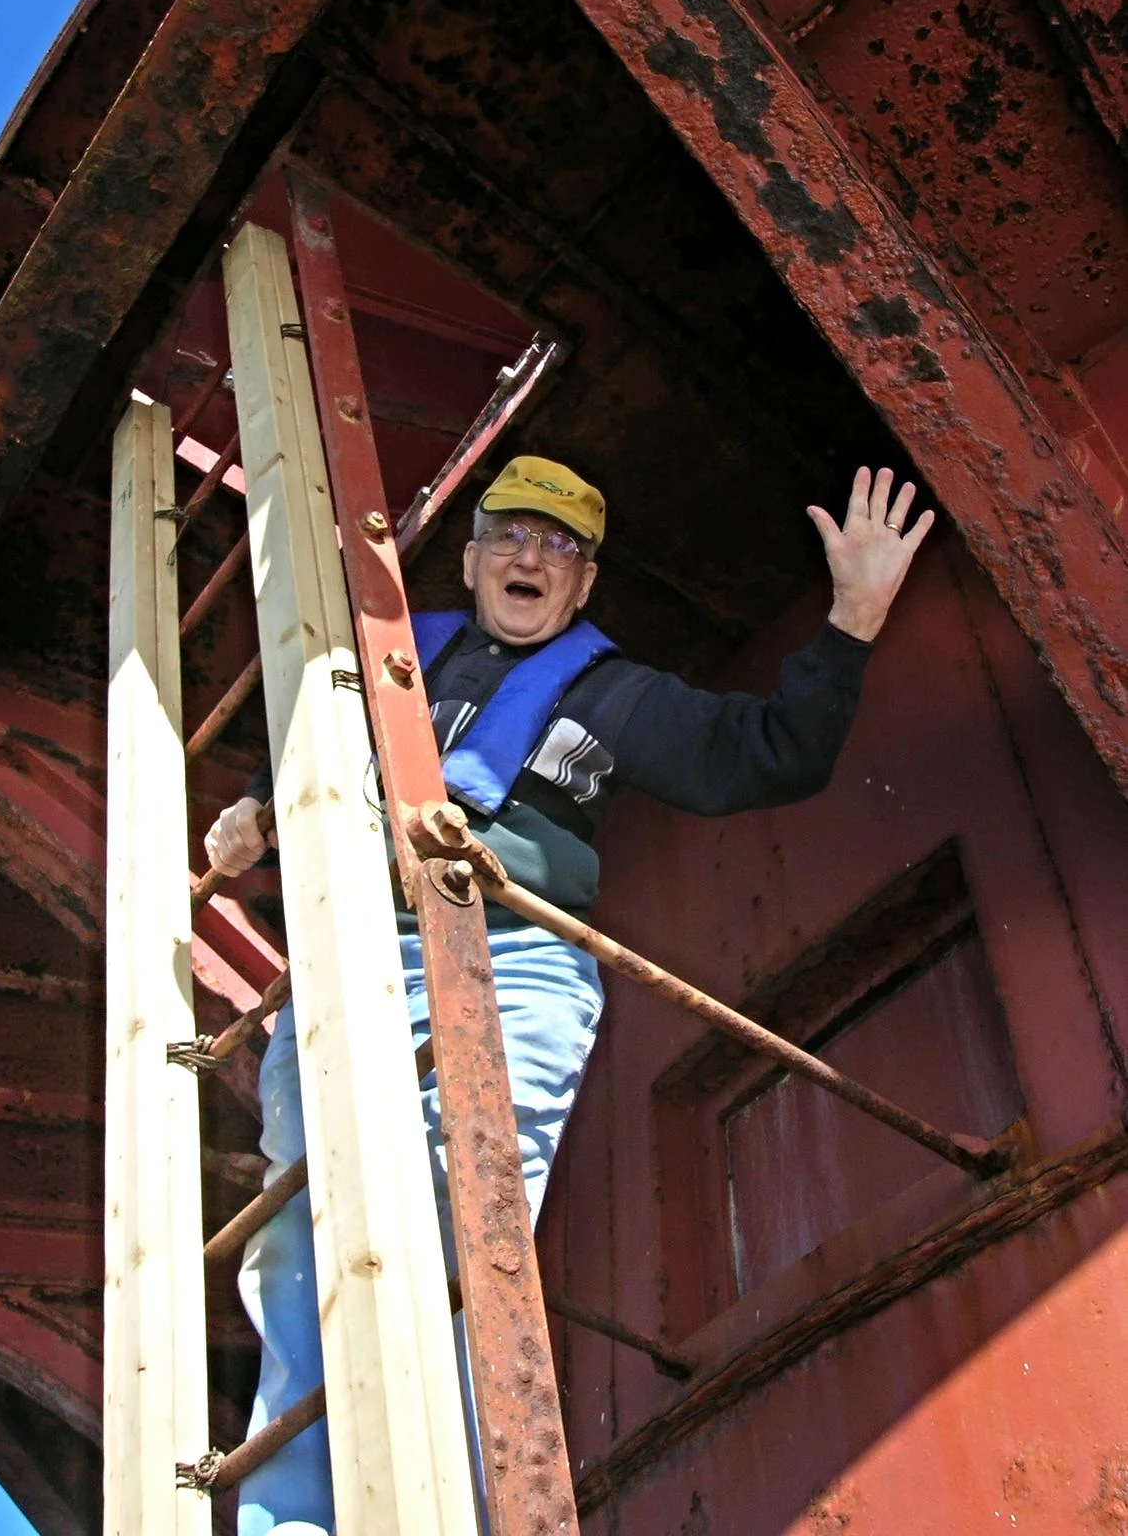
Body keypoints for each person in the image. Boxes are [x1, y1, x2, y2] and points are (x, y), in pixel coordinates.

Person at [206, 455, 932, 1536]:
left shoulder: (617, 694)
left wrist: (853, 616)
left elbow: (770, 753)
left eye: (560, 547)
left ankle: (438, 1510)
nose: (530, 557)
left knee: (455, 1236)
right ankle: (294, 1520)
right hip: (345, 958)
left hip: (512, 966)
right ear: (471, 555)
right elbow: (312, 749)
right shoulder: (395, 661)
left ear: (586, 586)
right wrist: (259, 810)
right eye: (510, 534)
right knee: (298, 1239)